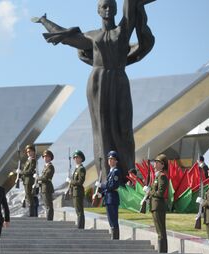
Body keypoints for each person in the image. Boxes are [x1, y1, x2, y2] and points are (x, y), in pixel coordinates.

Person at [33, 0, 154, 182]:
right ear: (98, 10)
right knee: (102, 129)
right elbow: (66, 37)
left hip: (120, 80)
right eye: (104, 6)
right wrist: (44, 21)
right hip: (98, 82)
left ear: (116, 9)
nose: (108, 10)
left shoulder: (123, 30)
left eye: (111, 6)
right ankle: (106, 179)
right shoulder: (92, 36)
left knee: (124, 129)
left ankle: (128, 177)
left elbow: (130, 8)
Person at [144, 154, 168, 253]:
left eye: (157, 163)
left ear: (162, 165)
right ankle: (162, 250)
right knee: (159, 230)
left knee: (161, 231)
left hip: (158, 206)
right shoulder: (157, 177)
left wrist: (149, 192)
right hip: (155, 206)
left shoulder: (162, 177)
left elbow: (160, 193)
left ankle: (162, 252)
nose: (154, 165)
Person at [97, 151, 121, 239]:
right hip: (108, 198)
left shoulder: (116, 172)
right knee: (110, 219)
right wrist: (101, 194)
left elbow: (112, 185)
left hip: (112, 198)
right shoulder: (111, 172)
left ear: (116, 161)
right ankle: (113, 236)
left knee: (113, 219)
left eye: (112, 159)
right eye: (109, 159)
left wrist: (102, 185)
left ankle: (115, 238)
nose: (110, 161)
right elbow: (108, 187)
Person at [67, 150, 86, 229]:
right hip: (75, 192)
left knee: (79, 211)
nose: (75, 159)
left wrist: (71, 181)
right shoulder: (76, 168)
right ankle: (80, 226)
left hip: (78, 192)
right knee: (77, 210)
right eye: (74, 158)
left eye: (77, 157)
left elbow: (80, 182)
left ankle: (80, 227)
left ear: (81, 159)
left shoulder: (81, 169)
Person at [17, 145, 37, 217]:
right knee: (28, 196)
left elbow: (30, 171)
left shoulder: (33, 160)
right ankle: (31, 213)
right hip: (26, 180)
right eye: (27, 151)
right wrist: (20, 176)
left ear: (33, 152)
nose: (28, 153)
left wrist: (21, 172)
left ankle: (32, 214)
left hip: (29, 181)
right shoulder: (28, 160)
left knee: (29, 196)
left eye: (30, 151)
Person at [38, 150, 55, 221]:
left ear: (50, 158)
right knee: (46, 205)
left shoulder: (50, 167)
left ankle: (49, 220)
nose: (45, 158)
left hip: (47, 188)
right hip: (43, 187)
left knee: (48, 205)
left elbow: (46, 177)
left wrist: (38, 178)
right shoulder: (45, 167)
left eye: (47, 157)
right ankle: (48, 219)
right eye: (44, 157)